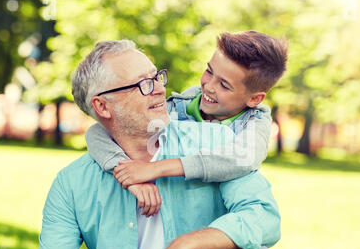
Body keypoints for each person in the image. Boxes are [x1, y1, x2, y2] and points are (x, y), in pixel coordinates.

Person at [25, 39, 285, 249]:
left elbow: (264, 218)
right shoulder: (72, 183)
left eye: (156, 77)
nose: (160, 89)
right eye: (143, 85)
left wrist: (186, 245)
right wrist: (122, 169)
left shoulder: (218, 142)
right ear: (102, 107)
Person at [86, 31, 288, 216]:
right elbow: (98, 133)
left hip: (221, 218)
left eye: (224, 85)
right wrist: (125, 173)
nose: (208, 86)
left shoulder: (254, 123)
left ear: (254, 99)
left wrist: (157, 168)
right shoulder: (178, 107)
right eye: (209, 72)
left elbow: (242, 158)